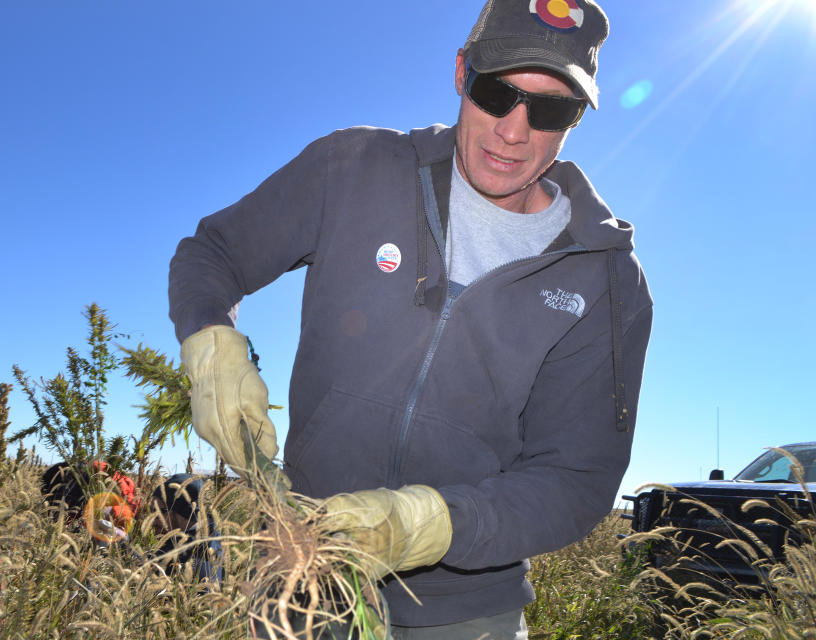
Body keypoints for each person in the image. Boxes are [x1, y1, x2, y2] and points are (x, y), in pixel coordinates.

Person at [169, 1, 652, 637]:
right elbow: (215, 252)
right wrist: (212, 342)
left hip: (468, 609)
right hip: (304, 577)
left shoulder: (606, 280)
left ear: (577, 120)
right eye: (496, 91)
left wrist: (433, 522)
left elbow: (576, 480)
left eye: (551, 108)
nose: (514, 129)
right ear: (461, 73)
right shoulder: (351, 168)